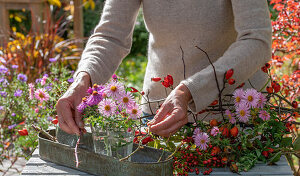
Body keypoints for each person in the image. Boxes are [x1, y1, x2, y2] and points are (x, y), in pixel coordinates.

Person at [56, 0, 272, 137]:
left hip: (234, 117)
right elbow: (110, 36)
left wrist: (189, 90)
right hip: (160, 115)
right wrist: (83, 80)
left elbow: (256, 40)